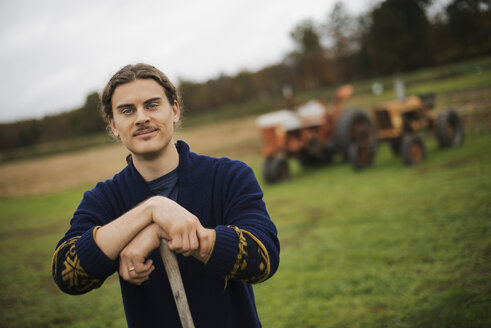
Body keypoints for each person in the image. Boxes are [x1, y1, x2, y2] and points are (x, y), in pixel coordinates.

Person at [51, 63, 280, 327]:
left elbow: (263, 258)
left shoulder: (229, 176)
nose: (141, 118)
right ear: (113, 125)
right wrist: (152, 210)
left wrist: (157, 232)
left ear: (174, 110)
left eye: (151, 105)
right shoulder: (103, 199)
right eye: (127, 111)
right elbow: (67, 275)